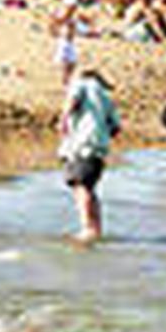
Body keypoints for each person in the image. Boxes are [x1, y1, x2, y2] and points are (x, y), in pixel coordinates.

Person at [58, 69, 120, 244]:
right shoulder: (106, 97)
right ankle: (96, 228)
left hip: (82, 146)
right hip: (99, 149)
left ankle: (87, 229)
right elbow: (115, 127)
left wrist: (63, 119)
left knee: (81, 187)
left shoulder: (82, 84)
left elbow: (73, 99)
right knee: (90, 189)